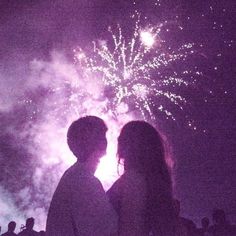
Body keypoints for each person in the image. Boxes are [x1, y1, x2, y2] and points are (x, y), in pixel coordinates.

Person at [46, 116, 118, 236]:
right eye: (102, 136)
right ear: (97, 141)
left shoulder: (73, 177)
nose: (106, 140)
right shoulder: (84, 181)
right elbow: (107, 231)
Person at [107, 120, 181, 236]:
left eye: (122, 137)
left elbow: (130, 228)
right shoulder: (154, 181)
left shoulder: (133, 180)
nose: (117, 140)